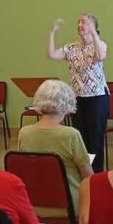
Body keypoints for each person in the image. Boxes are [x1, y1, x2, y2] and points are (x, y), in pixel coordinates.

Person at [18, 80, 93, 216]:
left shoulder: (24, 133)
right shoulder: (71, 134)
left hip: (33, 204)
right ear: (68, 103)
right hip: (69, 205)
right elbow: (88, 177)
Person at [48, 14, 108, 173]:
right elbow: (52, 54)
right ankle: (85, 172)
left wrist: (94, 34)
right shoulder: (71, 47)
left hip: (97, 99)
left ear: (93, 26)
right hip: (78, 99)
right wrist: (52, 33)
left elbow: (101, 56)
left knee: (95, 140)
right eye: (79, 22)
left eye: (84, 22)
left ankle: (96, 174)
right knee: (81, 138)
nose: (80, 24)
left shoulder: (100, 44)